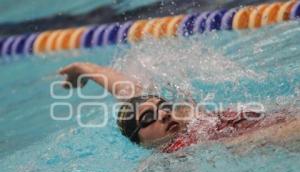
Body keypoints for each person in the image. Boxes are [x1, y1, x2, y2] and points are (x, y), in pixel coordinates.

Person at [59, 62, 300, 153]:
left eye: (164, 107)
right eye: (148, 119)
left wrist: (85, 70)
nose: (163, 114)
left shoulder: (189, 115)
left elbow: (123, 87)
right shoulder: (176, 153)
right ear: (140, 141)